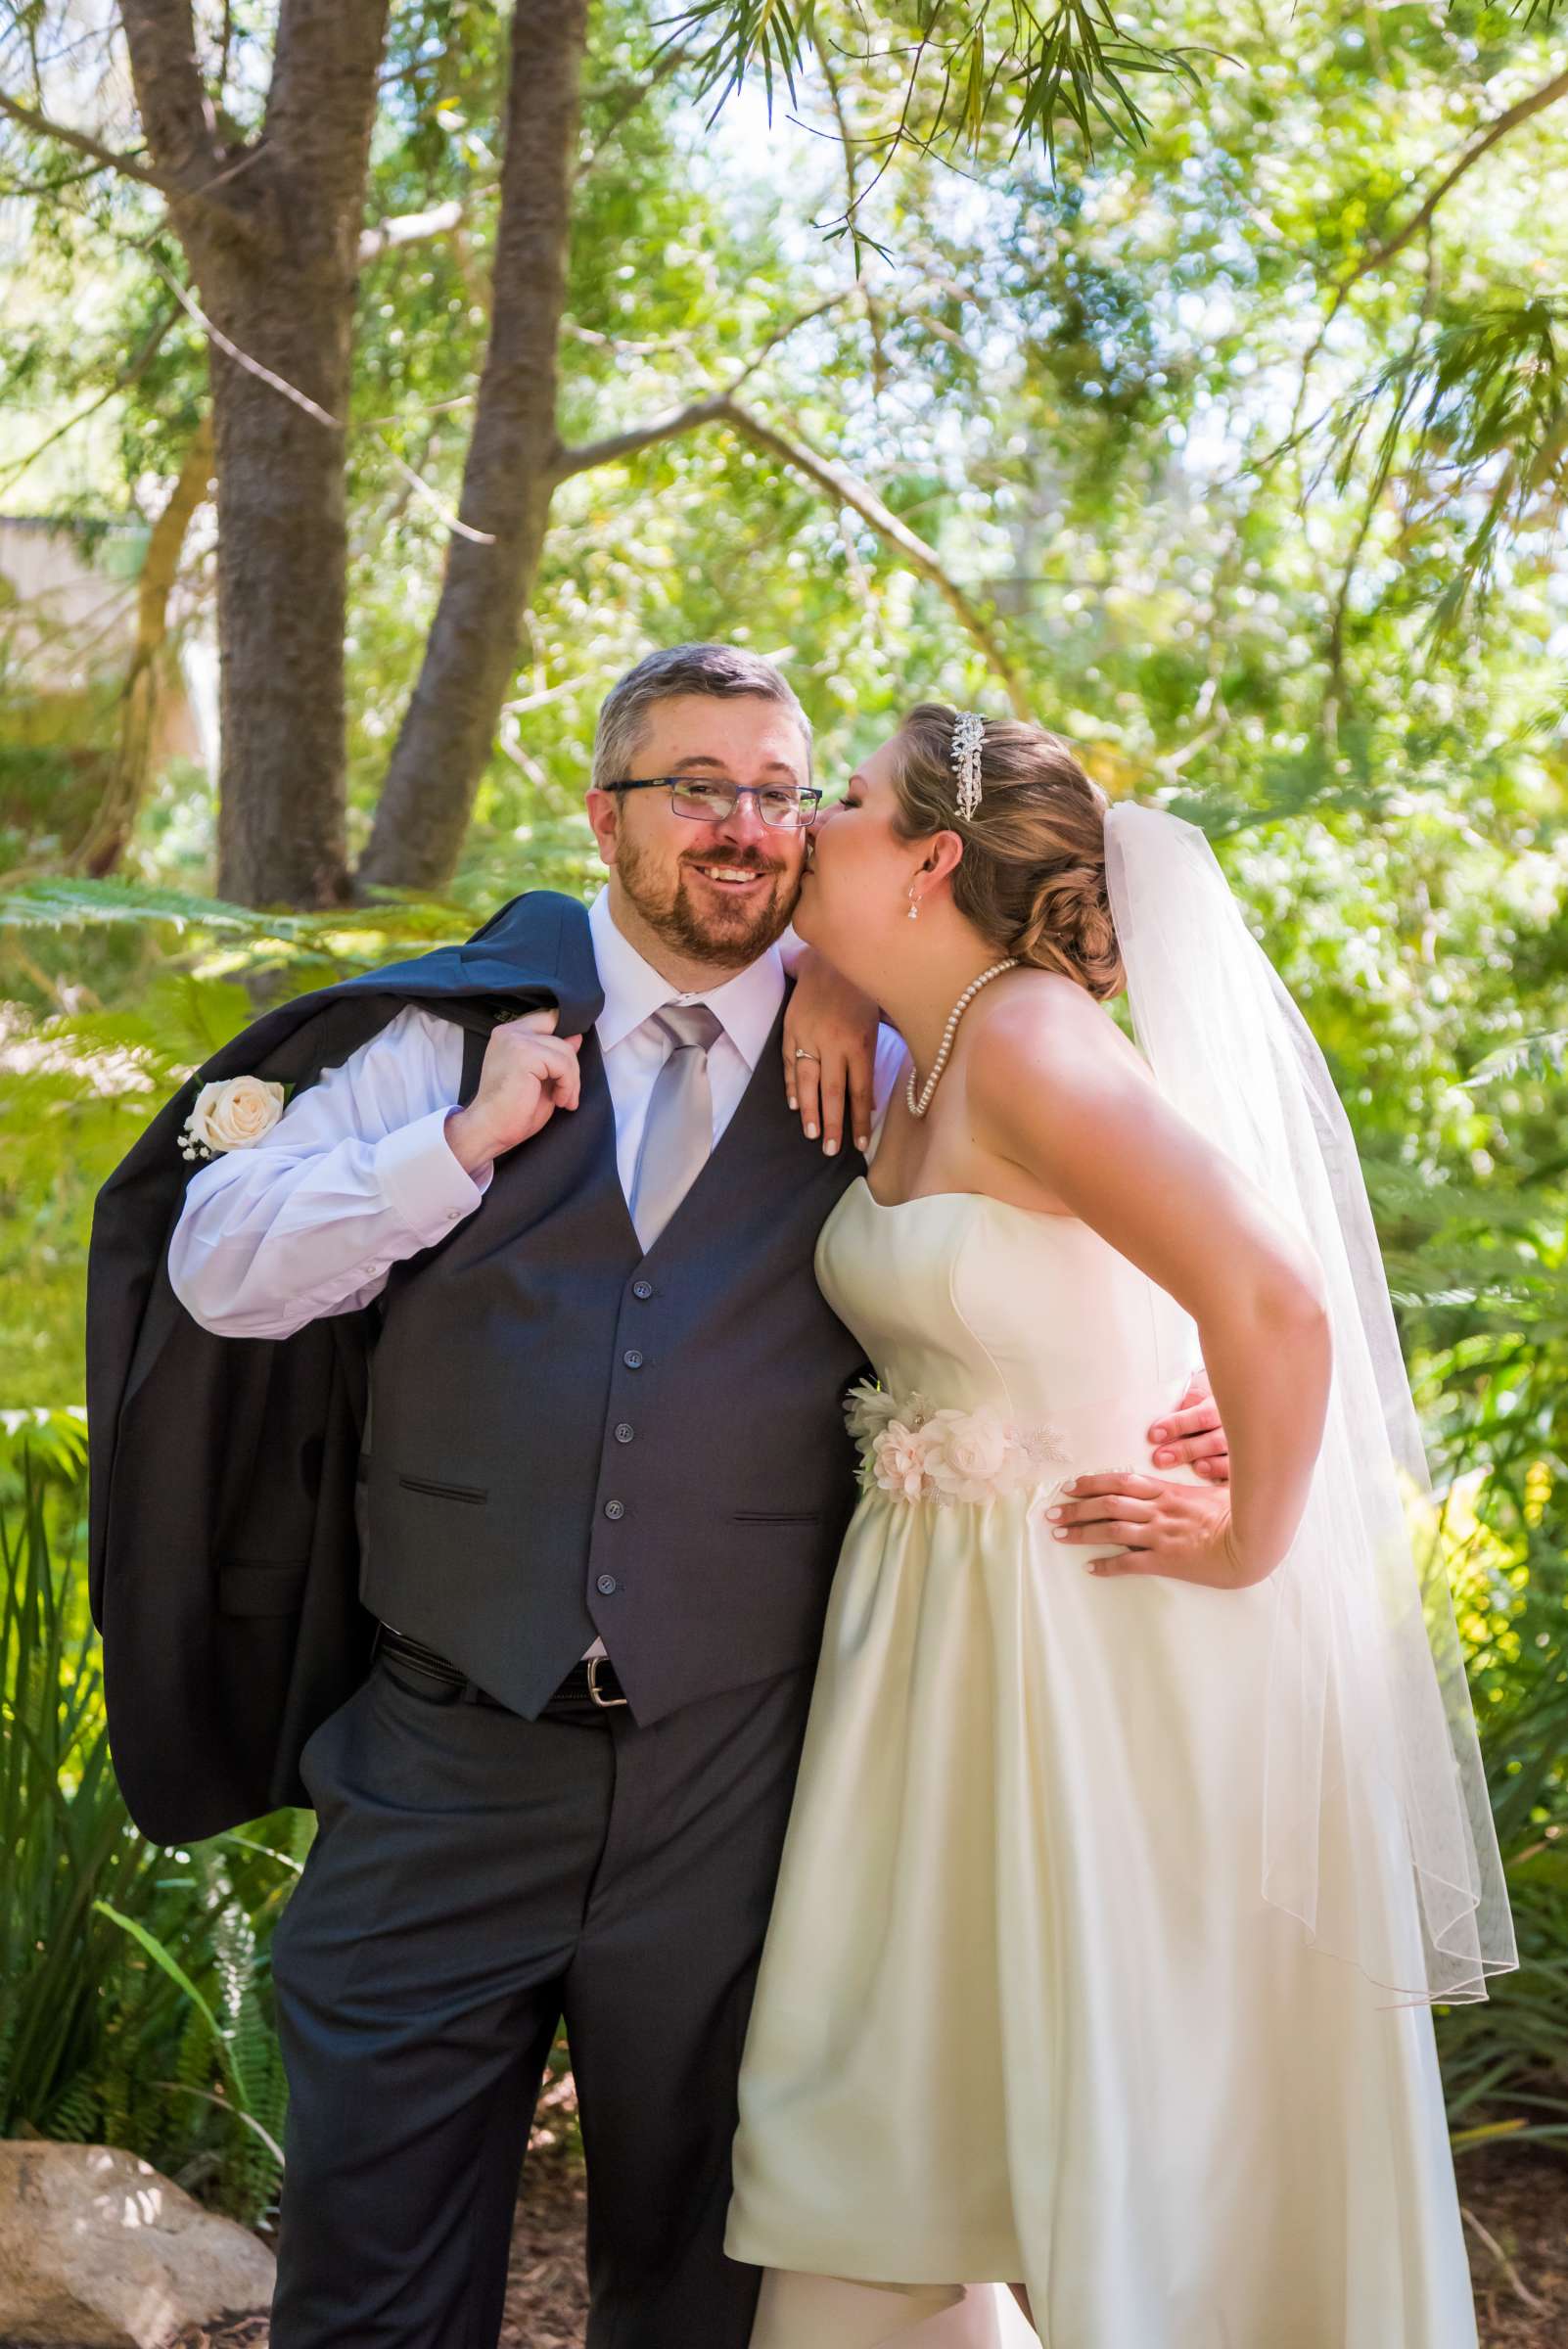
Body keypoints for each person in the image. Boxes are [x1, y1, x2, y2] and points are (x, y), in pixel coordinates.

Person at [157, 644, 1229, 2349]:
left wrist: (1193, 1413)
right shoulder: (449, 1040)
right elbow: (222, 1272)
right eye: (695, 790)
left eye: (777, 791)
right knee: (365, 2292)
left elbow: (1102, 1259)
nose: (741, 826)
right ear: (603, 814)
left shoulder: (901, 1065)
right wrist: (454, 1150)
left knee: (712, 2293)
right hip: (445, 1765)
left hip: (751, 1795)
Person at [724, 706, 1515, 2348]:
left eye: (845, 802)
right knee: (892, 2113)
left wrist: (1247, 1538)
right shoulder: (924, 1038)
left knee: (1134, 2130)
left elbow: (1276, 1303)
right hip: (941, 1654)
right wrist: (824, 971)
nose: (807, 818)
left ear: (933, 858)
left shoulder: (1033, 1044)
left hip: (1098, 1634)